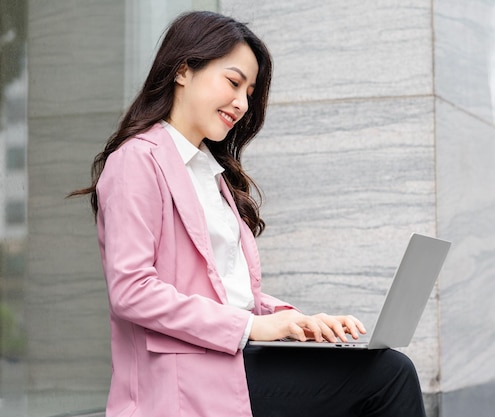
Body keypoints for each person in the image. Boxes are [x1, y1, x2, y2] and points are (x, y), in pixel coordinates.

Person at [71, 10, 427, 417]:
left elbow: (230, 295)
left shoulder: (209, 172)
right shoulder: (137, 160)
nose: (241, 103)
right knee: (388, 376)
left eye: (250, 92)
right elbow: (131, 291)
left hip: (231, 360)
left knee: (385, 372)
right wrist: (251, 327)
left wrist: (297, 321)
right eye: (233, 82)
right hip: (183, 379)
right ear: (184, 70)